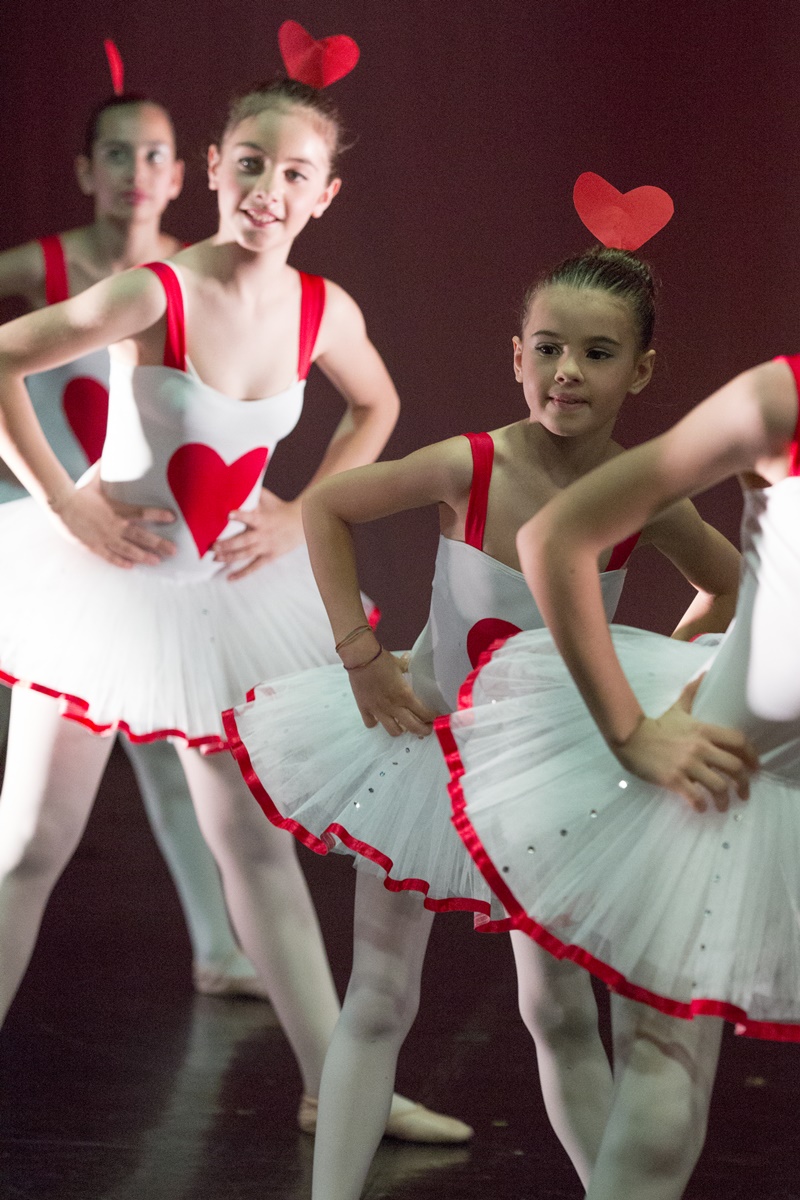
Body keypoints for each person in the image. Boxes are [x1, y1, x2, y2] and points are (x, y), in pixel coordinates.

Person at [0, 70, 466, 1141]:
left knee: (256, 847)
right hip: (104, 593)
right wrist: (67, 505)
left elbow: (377, 402)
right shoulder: (154, 291)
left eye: (294, 173)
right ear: (212, 169)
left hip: (220, 600)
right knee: (28, 845)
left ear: (323, 195)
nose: (267, 189)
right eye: (249, 163)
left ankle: (333, 1089)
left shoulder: (322, 309)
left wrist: (304, 513)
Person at [224, 245, 741, 1198]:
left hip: (548, 780)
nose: (566, 372)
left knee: (560, 1012)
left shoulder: (638, 494)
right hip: (426, 750)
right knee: (380, 994)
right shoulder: (473, 465)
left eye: (596, 354)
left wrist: (660, 676)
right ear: (516, 356)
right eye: (548, 349)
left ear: (641, 371)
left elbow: (728, 585)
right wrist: (362, 656)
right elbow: (329, 506)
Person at [440, 352, 800, 1198]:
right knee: (664, 1088)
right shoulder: (780, 398)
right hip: (726, 780)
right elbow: (555, 535)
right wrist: (630, 731)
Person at [0, 87, 270, 999]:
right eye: (116, 153)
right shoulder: (46, 267)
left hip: (144, 548)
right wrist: (51, 498)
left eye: (154, 154)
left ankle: (218, 948)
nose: (136, 172)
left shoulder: (187, 280)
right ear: (86, 170)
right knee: (29, 802)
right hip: (48, 536)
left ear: (183, 174)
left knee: (164, 745)